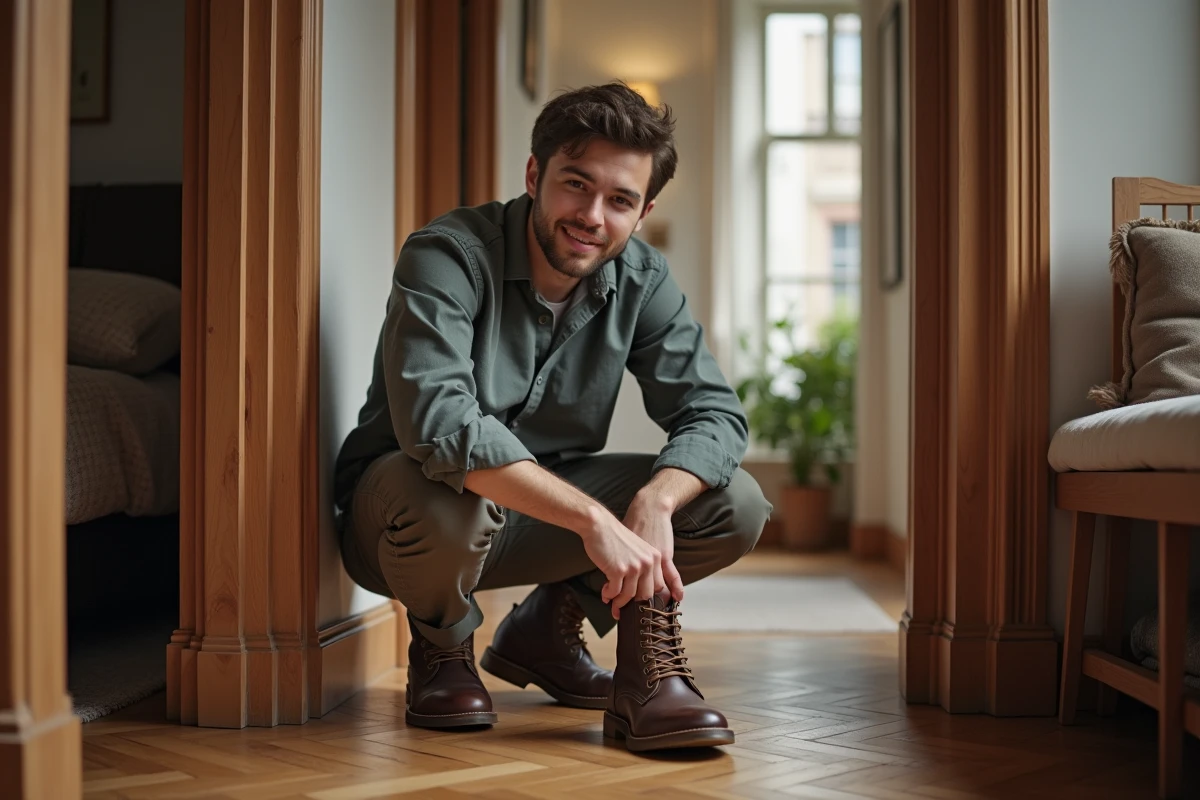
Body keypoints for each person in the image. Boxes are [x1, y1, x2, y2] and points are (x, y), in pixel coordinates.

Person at [333, 82, 772, 752]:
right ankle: (442, 647)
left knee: (733, 502)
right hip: (406, 514)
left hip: (534, 515)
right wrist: (597, 521)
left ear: (643, 210)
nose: (593, 215)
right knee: (448, 489)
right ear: (535, 175)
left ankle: (550, 626)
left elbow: (713, 414)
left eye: (620, 200)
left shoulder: (644, 280)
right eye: (577, 185)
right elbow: (441, 424)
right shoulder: (448, 255)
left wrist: (655, 501)